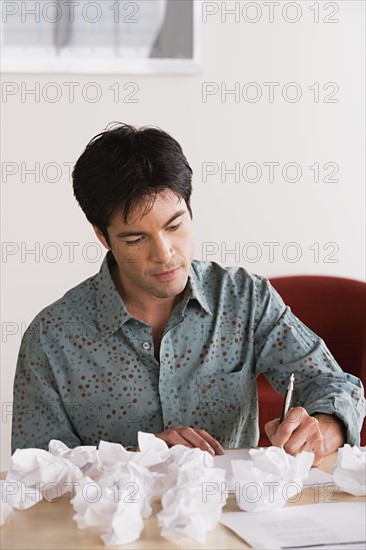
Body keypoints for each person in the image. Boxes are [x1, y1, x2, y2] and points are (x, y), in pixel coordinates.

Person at [11, 123, 365, 466]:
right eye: (136, 239)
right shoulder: (51, 337)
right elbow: (35, 472)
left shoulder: (245, 298)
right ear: (103, 236)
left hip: (231, 516)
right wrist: (135, 460)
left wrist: (326, 427)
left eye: (175, 225)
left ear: (190, 208)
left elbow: (335, 384)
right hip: (106, 521)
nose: (164, 254)